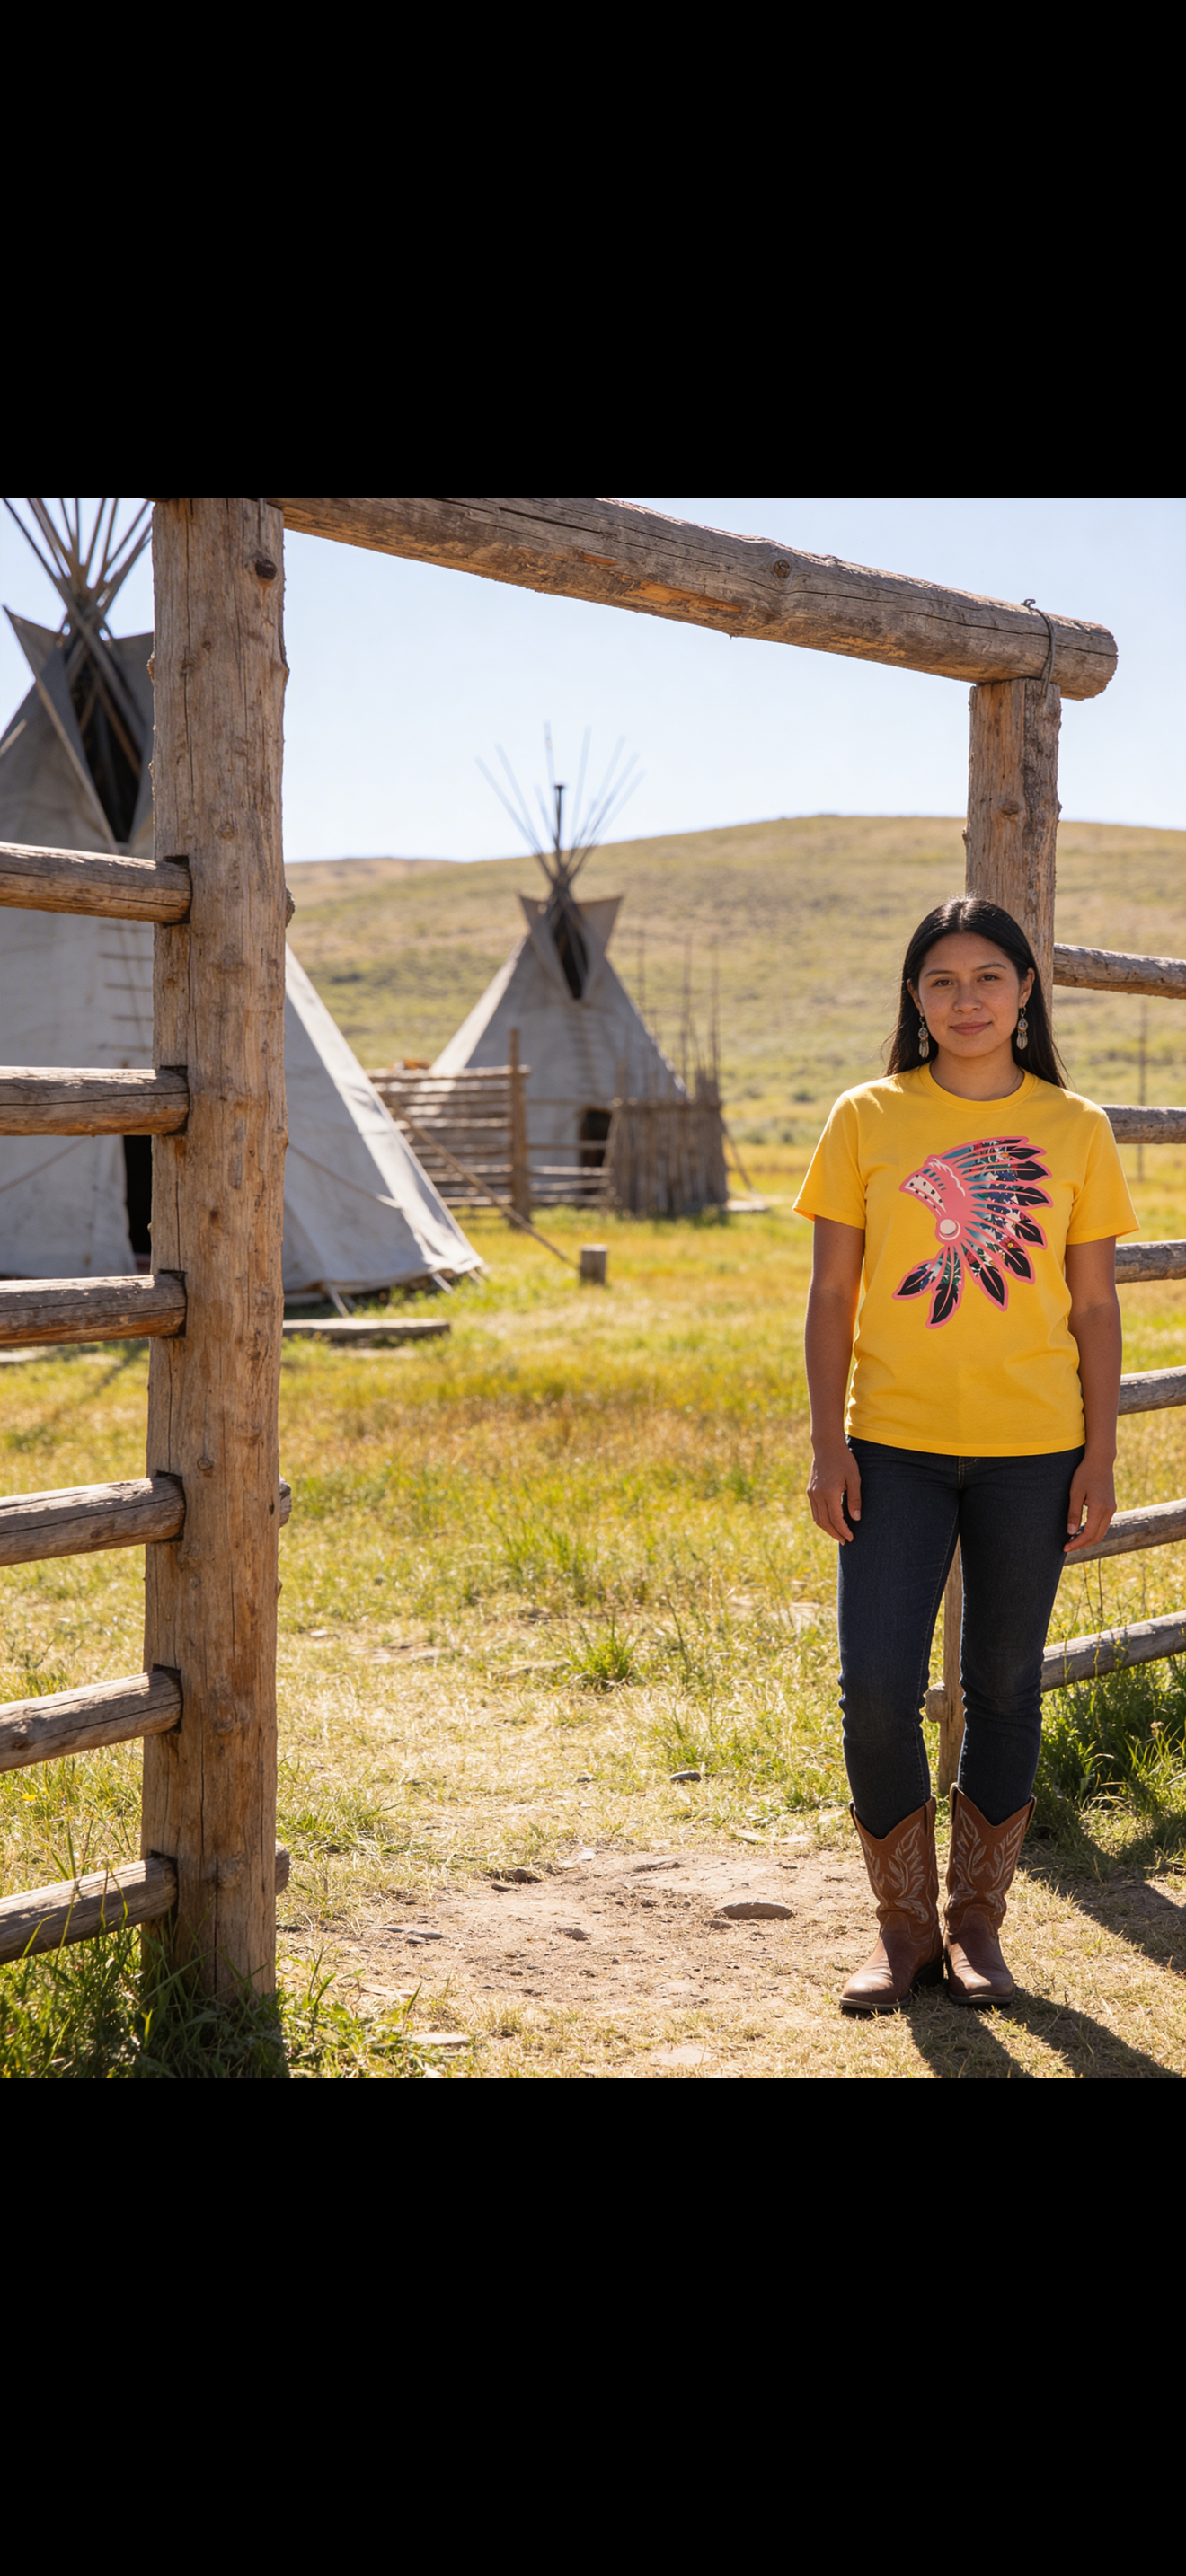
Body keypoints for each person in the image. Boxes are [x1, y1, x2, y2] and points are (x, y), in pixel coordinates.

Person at [794, 895, 1137, 2013]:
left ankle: (977, 1924)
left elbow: (1096, 1307)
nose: (966, 999)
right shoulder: (865, 1116)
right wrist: (828, 1446)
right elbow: (832, 1294)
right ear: (915, 997)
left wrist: (1099, 1457)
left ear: (1026, 991)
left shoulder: (1076, 1126)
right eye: (941, 980)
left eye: (989, 976)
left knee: (1004, 1684)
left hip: (1034, 1449)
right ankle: (902, 1930)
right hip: (890, 1447)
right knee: (875, 1687)